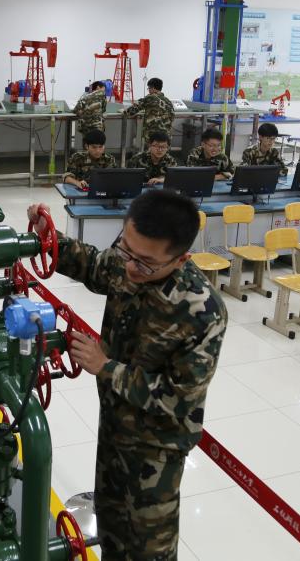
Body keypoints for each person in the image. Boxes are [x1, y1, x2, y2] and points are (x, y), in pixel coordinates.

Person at [27, 191, 226, 561]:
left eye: (146, 264)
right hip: (115, 426)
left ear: (181, 258)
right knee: (110, 527)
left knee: (148, 547)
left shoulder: (201, 310)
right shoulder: (130, 259)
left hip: (156, 450)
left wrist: (107, 367)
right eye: (126, 250)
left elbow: (179, 399)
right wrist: (47, 237)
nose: (131, 267)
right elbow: (94, 265)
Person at [122, 77, 175, 142]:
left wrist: (124, 111)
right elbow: (172, 117)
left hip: (153, 135)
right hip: (166, 136)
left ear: (152, 88)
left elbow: (132, 111)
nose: (149, 90)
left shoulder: (150, 97)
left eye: (149, 88)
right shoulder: (168, 101)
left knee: (151, 148)